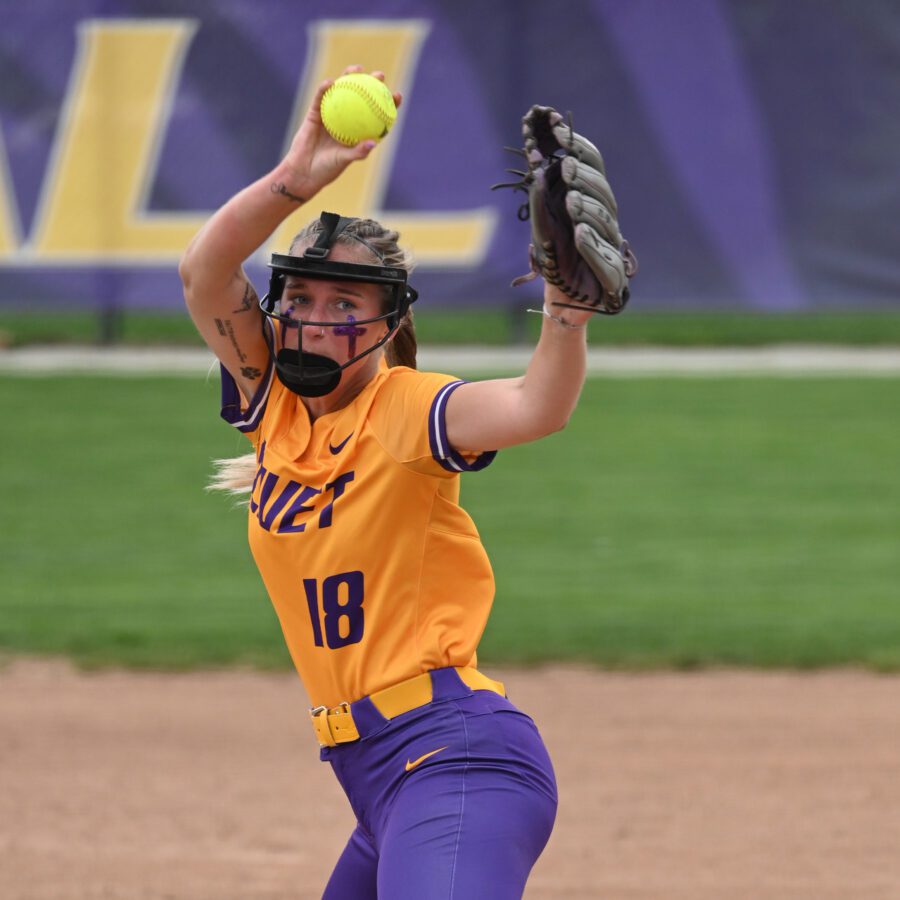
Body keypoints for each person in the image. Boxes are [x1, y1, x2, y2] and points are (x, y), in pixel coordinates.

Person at [179, 66, 598, 900]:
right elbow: (206, 271)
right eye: (300, 295)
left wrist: (566, 310)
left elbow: (534, 406)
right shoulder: (275, 416)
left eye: (346, 303)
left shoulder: (406, 409)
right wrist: (294, 181)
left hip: (457, 759)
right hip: (379, 782)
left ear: (388, 325)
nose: (315, 316)